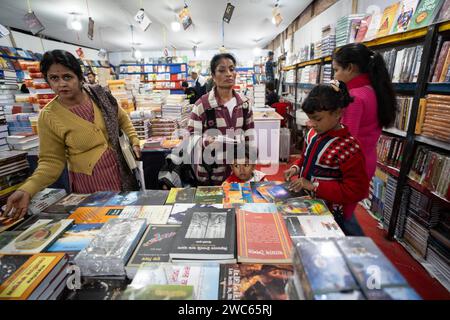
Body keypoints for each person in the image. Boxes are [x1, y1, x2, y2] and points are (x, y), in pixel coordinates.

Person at [2, 49, 140, 221]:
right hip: (91, 185)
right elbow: (50, 162)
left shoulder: (99, 95)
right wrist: (27, 189)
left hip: (122, 174)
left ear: (79, 77)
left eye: (67, 77)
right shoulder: (49, 116)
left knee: (129, 220)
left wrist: (134, 139)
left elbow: (121, 117)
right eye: (54, 78)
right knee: (99, 226)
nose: (61, 84)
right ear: (47, 80)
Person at [284, 81, 369, 236]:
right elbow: (306, 157)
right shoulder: (312, 133)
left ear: (338, 113)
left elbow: (357, 190)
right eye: (310, 118)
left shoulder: (348, 148)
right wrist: (295, 167)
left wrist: (313, 185)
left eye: (318, 119)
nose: (312, 124)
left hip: (330, 215)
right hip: (307, 205)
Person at [332, 43, 396, 190]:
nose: (334, 76)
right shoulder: (373, 90)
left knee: (340, 210)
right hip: (366, 159)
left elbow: (344, 140)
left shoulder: (354, 97)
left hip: (350, 167)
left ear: (350, 68)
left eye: (336, 70)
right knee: (346, 208)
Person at [188, 53, 255, 186]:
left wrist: (250, 163)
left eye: (232, 69)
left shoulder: (245, 104)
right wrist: (207, 141)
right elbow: (191, 138)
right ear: (213, 76)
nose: (229, 74)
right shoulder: (202, 105)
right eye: (222, 70)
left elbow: (250, 138)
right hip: (209, 175)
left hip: (237, 173)